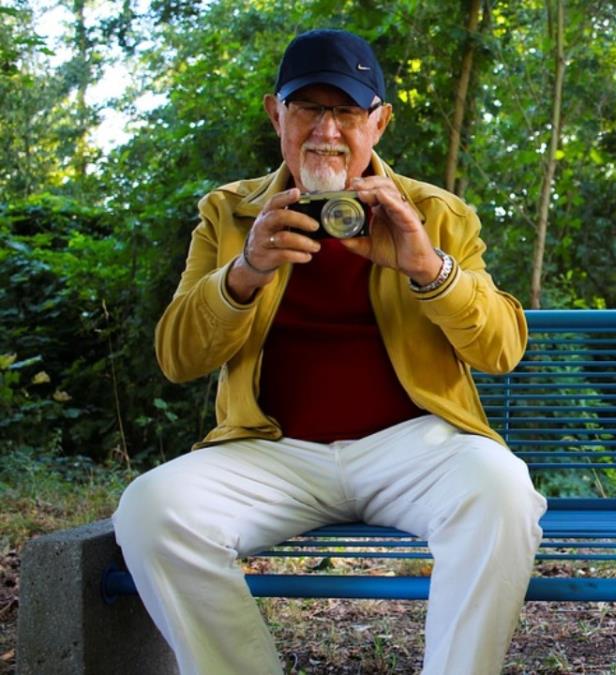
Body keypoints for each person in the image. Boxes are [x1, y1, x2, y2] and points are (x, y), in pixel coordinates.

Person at [112, 29, 546, 675]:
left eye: (345, 111)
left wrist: (428, 266)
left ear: (379, 122)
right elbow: (178, 357)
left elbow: (502, 350)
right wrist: (244, 271)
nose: (326, 131)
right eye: (308, 109)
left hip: (414, 448)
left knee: (502, 490)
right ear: (276, 115)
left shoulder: (436, 212)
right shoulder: (229, 212)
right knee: (152, 509)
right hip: (273, 451)